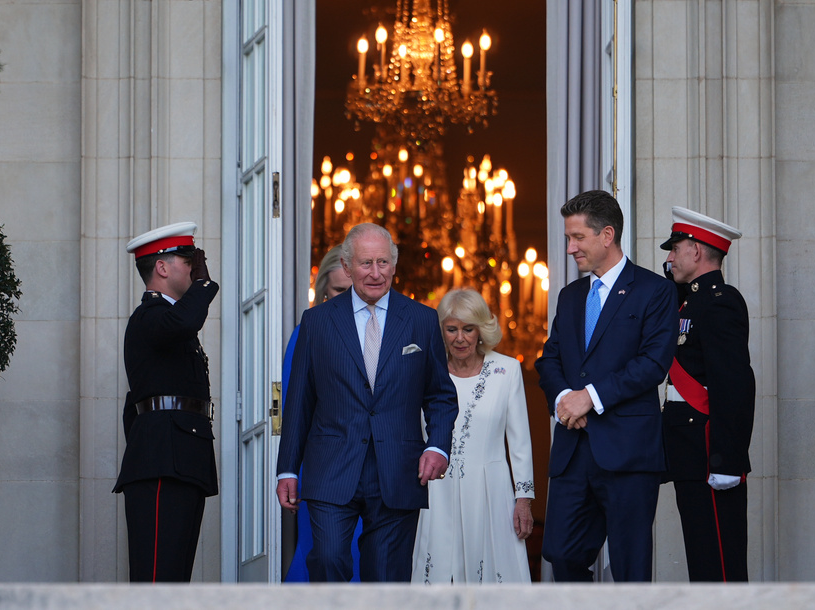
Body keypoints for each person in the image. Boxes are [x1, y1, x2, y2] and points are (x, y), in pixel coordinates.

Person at [276, 222, 458, 582]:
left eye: (383, 263)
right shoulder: (317, 322)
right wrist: (287, 468)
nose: (376, 274)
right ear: (346, 266)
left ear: (394, 264)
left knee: (387, 579)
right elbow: (299, 403)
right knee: (327, 561)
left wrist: (438, 446)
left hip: (398, 469)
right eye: (365, 264)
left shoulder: (422, 320)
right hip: (331, 466)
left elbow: (440, 395)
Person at [536, 190, 678, 582]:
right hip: (573, 450)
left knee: (631, 569)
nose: (570, 248)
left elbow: (653, 364)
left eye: (577, 237)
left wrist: (590, 398)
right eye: (569, 238)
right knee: (560, 554)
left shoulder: (656, 291)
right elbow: (549, 359)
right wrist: (566, 398)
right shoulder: (571, 296)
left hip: (628, 453)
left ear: (607, 234)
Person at [113, 222, 219, 582]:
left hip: (181, 457)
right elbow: (184, 321)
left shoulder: (169, 320)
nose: (194, 266)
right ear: (161, 267)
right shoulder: (151, 317)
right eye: (186, 259)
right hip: (162, 460)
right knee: (156, 581)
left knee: (174, 582)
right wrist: (204, 285)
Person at [412, 288, 535, 584]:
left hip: (490, 492)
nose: (460, 338)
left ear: (482, 330)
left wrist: (524, 499)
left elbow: (519, 443)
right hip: (435, 492)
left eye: (468, 329)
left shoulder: (507, 370)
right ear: (441, 331)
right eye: (451, 329)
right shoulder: (426, 370)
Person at [660, 206, 756, 582]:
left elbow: (734, 385)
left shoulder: (721, 302)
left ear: (696, 251)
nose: (669, 258)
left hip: (709, 456)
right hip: (689, 454)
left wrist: (727, 461)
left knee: (720, 568)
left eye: (675, 248)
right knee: (703, 565)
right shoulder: (687, 300)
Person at [281, 245, 361, 583]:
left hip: (371, 472)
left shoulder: (380, 332)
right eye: (339, 291)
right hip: (322, 471)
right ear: (323, 291)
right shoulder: (307, 332)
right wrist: (291, 470)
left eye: (351, 291)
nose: (345, 299)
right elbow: (293, 407)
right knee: (323, 558)